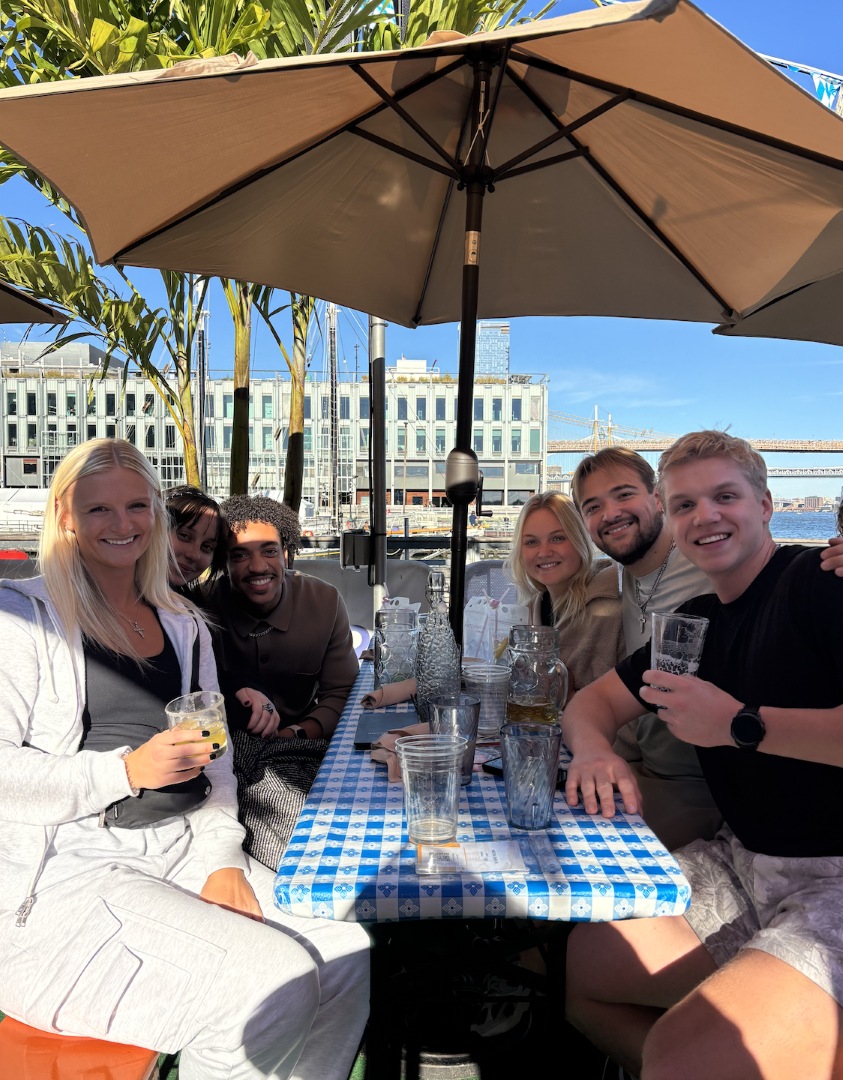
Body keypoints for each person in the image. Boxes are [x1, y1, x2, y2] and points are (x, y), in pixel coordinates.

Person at [0, 440, 369, 1080]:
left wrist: (221, 857)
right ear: (64, 514)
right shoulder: (21, 616)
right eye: (99, 508)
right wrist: (124, 772)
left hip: (182, 846)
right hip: (66, 875)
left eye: (137, 506)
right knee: (270, 984)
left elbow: (215, 761)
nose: (122, 524)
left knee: (346, 952)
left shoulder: (182, 622)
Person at [564, 431, 843, 1080]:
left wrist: (740, 725)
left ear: (765, 505)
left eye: (725, 496)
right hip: (744, 862)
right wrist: (593, 751)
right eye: (685, 505)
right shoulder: (694, 623)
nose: (705, 516)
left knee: (682, 1057)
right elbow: (591, 705)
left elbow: (740, 726)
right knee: (583, 973)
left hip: (833, 877)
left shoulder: (821, 584)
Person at [571, 447, 721, 849]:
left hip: (712, 785)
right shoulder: (619, 577)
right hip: (652, 769)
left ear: (657, 498)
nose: (611, 513)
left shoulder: (709, 559)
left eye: (624, 494)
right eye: (593, 507)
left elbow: (767, 565)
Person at [202, 495, 359, 867]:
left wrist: (296, 733)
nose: (258, 566)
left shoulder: (324, 601)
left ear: (287, 553)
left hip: (304, 742)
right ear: (224, 561)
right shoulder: (200, 607)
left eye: (269, 551)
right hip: (225, 755)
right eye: (240, 555)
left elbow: (343, 693)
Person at [165, 485, 278, 739]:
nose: (193, 554)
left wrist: (246, 689)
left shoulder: (193, 606)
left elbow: (209, 679)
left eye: (207, 547)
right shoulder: (123, 600)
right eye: (184, 535)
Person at [503, 491, 625, 696]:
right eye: (531, 542)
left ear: (579, 541)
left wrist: (566, 695)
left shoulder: (608, 611)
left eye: (558, 538)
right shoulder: (531, 610)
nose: (544, 552)